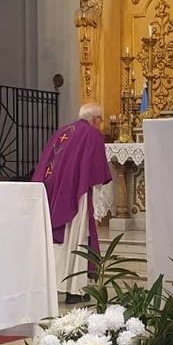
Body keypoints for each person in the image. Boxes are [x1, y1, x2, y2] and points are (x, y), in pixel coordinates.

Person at [32, 102, 112, 304]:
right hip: (77, 193)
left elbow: (46, 162)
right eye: (100, 120)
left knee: (59, 239)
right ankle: (74, 290)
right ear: (95, 119)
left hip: (54, 192)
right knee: (77, 238)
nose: (100, 124)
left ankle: (57, 287)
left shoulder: (63, 131)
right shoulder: (92, 134)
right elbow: (96, 170)